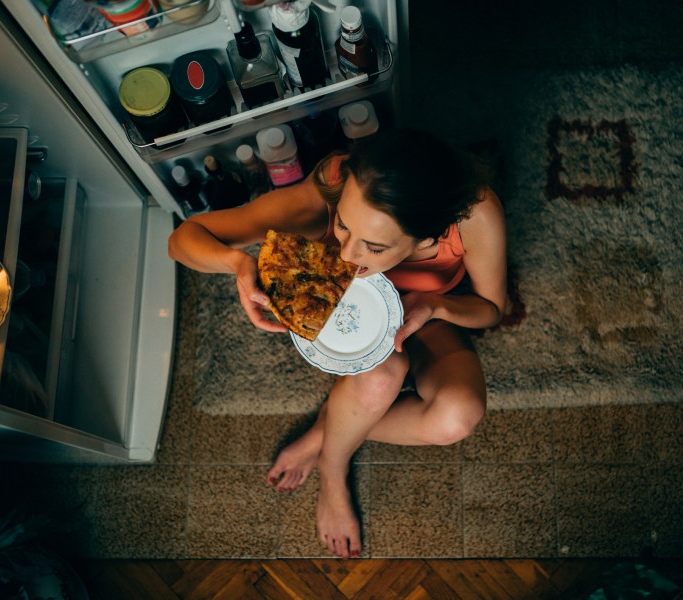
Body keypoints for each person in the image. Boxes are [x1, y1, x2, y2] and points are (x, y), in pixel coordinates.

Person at [168, 128, 507, 559]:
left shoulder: (473, 214)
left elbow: (492, 308)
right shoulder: (333, 183)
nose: (348, 255)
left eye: (374, 246)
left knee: (458, 418)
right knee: (381, 377)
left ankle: (332, 427)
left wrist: (436, 306)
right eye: (344, 227)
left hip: (425, 314)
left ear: (427, 238)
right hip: (336, 313)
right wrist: (237, 262)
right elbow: (182, 240)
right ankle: (333, 467)